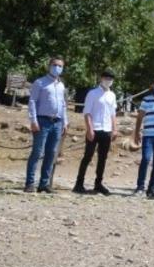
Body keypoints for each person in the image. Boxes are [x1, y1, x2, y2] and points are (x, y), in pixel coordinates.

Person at [24, 56, 67, 193]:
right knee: (37, 152)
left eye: (60, 66)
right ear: (49, 66)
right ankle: (30, 183)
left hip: (57, 122)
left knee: (51, 153)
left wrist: (65, 122)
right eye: (55, 65)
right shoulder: (40, 82)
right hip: (42, 120)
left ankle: (44, 183)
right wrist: (33, 120)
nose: (57, 68)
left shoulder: (61, 85)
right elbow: (32, 102)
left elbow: (63, 104)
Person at [73, 69, 116, 195]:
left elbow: (113, 113)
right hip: (95, 128)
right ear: (101, 78)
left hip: (106, 129)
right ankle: (79, 183)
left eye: (110, 79)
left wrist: (114, 129)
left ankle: (98, 183)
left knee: (102, 158)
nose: (108, 81)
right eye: (106, 78)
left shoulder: (112, 95)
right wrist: (89, 129)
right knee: (88, 156)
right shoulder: (92, 93)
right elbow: (87, 112)